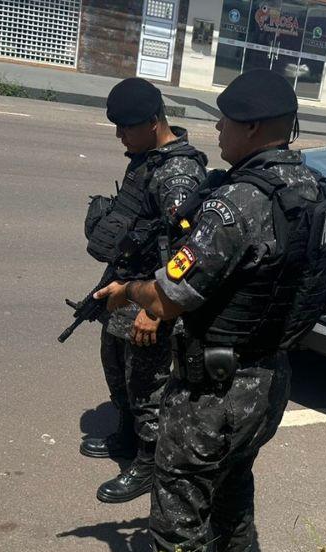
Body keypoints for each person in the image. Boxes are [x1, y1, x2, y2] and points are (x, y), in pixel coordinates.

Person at [95, 69, 326, 552]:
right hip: (271, 380)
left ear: (253, 127)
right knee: (234, 490)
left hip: (214, 391)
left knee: (178, 523)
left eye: (226, 121)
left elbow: (167, 298)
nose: (217, 129)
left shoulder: (236, 204)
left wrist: (126, 292)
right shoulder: (315, 191)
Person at [81, 78, 207, 504]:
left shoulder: (179, 174)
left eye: (126, 127)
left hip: (150, 297)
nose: (120, 135)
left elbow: (189, 248)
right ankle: (126, 435)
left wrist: (157, 309)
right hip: (125, 285)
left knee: (147, 386)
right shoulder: (147, 158)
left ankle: (148, 463)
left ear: (154, 122)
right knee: (116, 368)